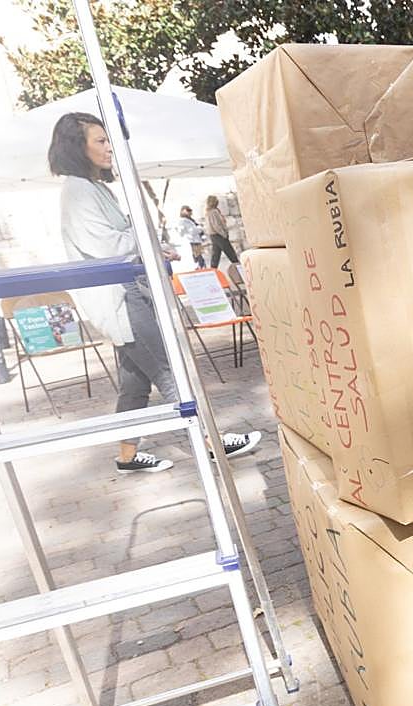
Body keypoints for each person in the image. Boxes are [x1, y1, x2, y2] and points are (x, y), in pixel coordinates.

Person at [50, 112, 261, 474]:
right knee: (169, 369)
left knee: (135, 382)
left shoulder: (91, 186)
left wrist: (152, 244)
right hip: (121, 299)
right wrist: (148, 240)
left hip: (125, 294)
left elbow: (119, 241)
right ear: (77, 146)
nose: (108, 148)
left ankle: (128, 455)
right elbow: (106, 245)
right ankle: (212, 441)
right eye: (100, 141)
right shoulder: (77, 190)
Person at [204, 195, 241, 278]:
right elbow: (216, 225)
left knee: (216, 255)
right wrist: (224, 234)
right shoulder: (213, 212)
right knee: (230, 253)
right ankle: (240, 270)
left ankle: (212, 272)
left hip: (214, 235)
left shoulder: (208, 212)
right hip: (219, 235)